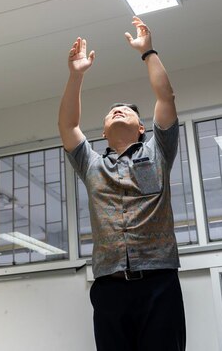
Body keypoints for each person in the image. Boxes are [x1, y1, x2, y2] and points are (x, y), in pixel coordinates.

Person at [58, 17, 186, 351]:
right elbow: (68, 124)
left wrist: (148, 52)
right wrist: (76, 75)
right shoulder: (91, 164)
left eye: (125, 111)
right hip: (109, 286)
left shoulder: (158, 152)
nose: (117, 111)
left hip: (159, 280)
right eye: (111, 112)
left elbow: (166, 97)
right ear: (102, 131)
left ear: (142, 127)